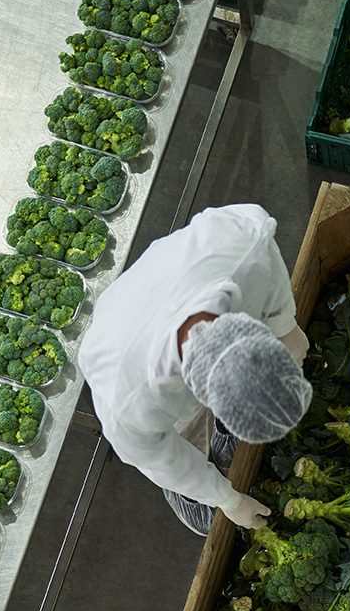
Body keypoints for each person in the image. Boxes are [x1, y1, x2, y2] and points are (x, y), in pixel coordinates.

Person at [78, 204, 312, 535]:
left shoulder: (243, 240)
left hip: (167, 283)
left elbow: (264, 257)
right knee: (190, 452)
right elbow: (163, 460)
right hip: (119, 335)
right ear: (204, 396)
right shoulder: (129, 405)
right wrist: (227, 500)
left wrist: (285, 327)